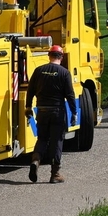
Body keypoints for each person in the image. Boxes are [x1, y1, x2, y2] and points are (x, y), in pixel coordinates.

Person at [25, 44, 78, 183]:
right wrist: (74, 112)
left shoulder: (38, 71)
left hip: (41, 111)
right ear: (61, 57)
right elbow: (70, 95)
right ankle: (55, 174)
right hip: (57, 112)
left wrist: (28, 107)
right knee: (57, 141)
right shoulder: (64, 73)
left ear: (49, 56)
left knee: (42, 139)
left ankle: (36, 161)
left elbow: (30, 90)